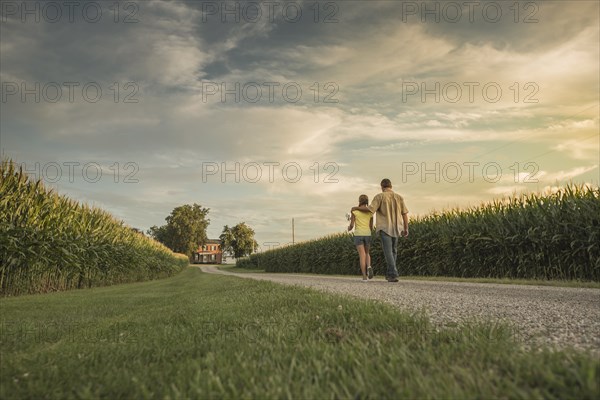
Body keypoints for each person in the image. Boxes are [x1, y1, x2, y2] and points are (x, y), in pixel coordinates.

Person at [351, 179, 409, 282]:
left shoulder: (380, 196)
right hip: (397, 228)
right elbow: (404, 214)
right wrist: (406, 228)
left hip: (385, 228)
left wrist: (355, 207)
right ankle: (391, 274)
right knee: (394, 251)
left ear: (382, 186)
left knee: (388, 252)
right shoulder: (399, 197)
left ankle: (393, 273)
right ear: (391, 186)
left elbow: (370, 209)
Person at [348, 194, 374, 282]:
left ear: (359, 201)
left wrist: (349, 228)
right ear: (367, 201)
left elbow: (351, 225)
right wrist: (369, 233)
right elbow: (371, 226)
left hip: (358, 234)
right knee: (367, 253)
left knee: (361, 255)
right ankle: (369, 266)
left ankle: (364, 276)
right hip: (368, 233)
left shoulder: (354, 212)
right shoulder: (370, 213)